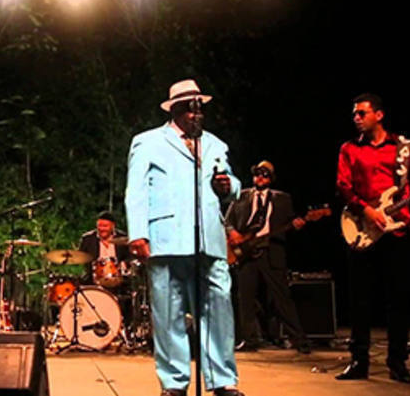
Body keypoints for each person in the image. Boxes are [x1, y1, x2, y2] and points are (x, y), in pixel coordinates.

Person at [125, 79, 243, 396]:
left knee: (218, 310)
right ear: (175, 110)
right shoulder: (147, 141)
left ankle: (222, 380)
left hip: (209, 239)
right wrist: (138, 234)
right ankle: (174, 382)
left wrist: (227, 186)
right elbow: (135, 191)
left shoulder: (216, 144)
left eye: (200, 109)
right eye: (191, 109)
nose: (197, 115)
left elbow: (232, 184)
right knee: (168, 313)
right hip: (165, 238)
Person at [334, 93, 410, 384]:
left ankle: (398, 363)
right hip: (363, 228)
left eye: (361, 113)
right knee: (360, 299)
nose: (356, 118)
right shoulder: (349, 149)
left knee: (398, 299)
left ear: (379, 115)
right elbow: (343, 185)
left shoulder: (404, 147)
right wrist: (366, 211)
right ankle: (359, 361)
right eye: (354, 113)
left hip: (398, 229)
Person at [224, 161, 310, 354]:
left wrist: (297, 224)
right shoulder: (242, 196)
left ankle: (299, 339)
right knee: (245, 298)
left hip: (271, 252)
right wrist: (233, 233)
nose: (259, 178)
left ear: (271, 178)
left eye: (264, 175)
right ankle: (249, 339)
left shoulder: (282, 199)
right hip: (245, 253)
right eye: (257, 174)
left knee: (282, 298)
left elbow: (290, 223)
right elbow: (227, 221)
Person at [78, 211, 132, 285]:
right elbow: (80, 256)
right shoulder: (88, 239)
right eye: (99, 226)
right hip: (93, 279)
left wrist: (124, 263)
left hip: (118, 278)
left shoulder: (122, 237)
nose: (102, 229)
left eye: (105, 226)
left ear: (113, 226)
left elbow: (131, 255)